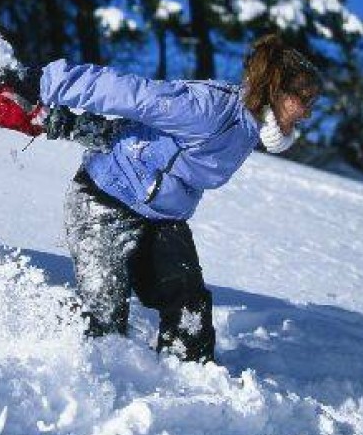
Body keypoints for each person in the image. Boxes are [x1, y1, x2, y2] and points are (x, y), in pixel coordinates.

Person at [34, 34, 322, 362]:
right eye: (304, 101)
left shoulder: (247, 128)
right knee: (104, 319)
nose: (307, 114)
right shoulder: (209, 108)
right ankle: (54, 358)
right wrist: (48, 83)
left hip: (161, 217)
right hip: (105, 197)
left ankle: (189, 390)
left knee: (190, 310)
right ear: (276, 89)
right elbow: (133, 94)